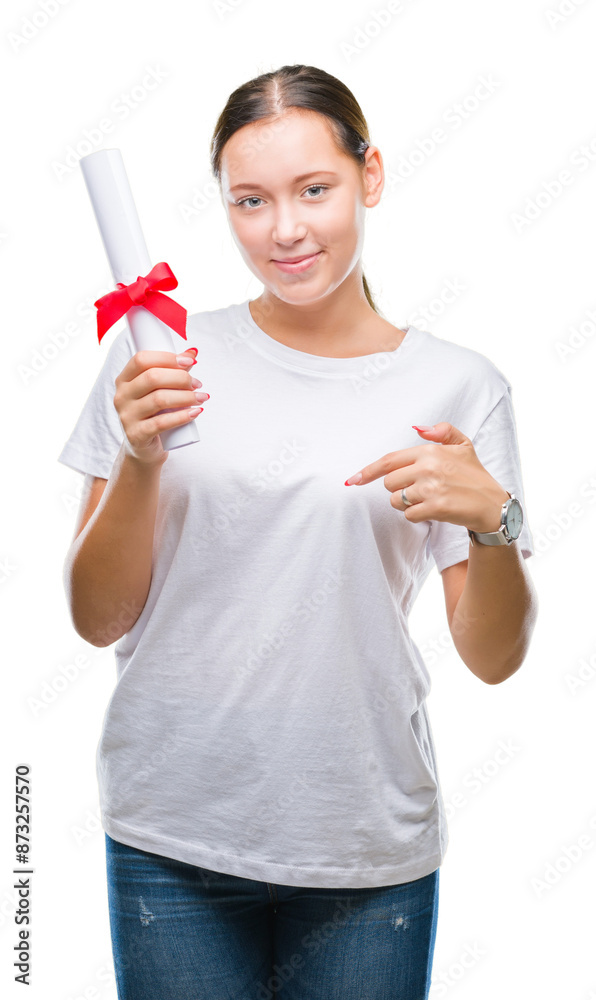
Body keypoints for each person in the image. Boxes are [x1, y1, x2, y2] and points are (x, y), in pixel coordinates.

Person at [58, 64, 538, 1000]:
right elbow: (95, 617)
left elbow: (494, 658)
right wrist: (143, 457)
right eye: (250, 200)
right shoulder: (154, 357)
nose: (284, 229)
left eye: (314, 190)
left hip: (364, 848)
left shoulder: (460, 386)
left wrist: (496, 523)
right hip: (172, 830)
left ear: (372, 176)